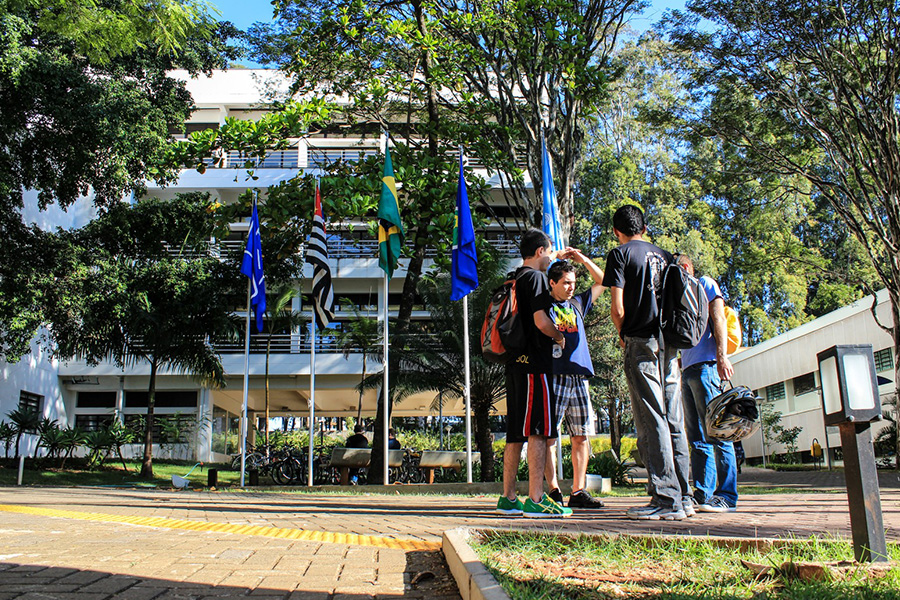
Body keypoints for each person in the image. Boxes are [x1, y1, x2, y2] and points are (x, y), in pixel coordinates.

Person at [602, 205, 692, 521]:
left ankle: (666, 500)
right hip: (669, 344)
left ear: (617, 231)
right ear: (643, 227)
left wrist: (623, 335)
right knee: (673, 418)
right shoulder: (666, 256)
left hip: (640, 341)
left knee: (651, 417)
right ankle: (685, 496)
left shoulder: (620, 255)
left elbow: (617, 307)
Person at [496, 228, 572, 518]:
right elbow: (541, 321)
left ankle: (509, 497)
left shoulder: (513, 278)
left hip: (514, 362)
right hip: (534, 365)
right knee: (538, 431)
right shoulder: (537, 279)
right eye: (550, 252)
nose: (551, 258)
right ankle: (536, 499)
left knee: (516, 433)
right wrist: (558, 336)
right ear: (540, 251)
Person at [543, 251, 606, 509]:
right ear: (552, 283)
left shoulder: (579, 303)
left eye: (573, 283)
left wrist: (582, 260)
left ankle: (578, 491)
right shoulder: (543, 305)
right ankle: (553, 489)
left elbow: (604, 280)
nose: (571, 288)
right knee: (549, 436)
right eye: (566, 283)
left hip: (580, 376)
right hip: (554, 374)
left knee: (581, 435)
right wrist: (548, 259)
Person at [678, 255, 738, 513]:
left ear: (687, 267)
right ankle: (703, 494)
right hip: (688, 369)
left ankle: (727, 495)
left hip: (708, 367)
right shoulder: (679, 296)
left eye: (678, 270)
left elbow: (719, 319)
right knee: (697, 438)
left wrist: (722, 358)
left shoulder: (704, 283)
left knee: (719, 432)